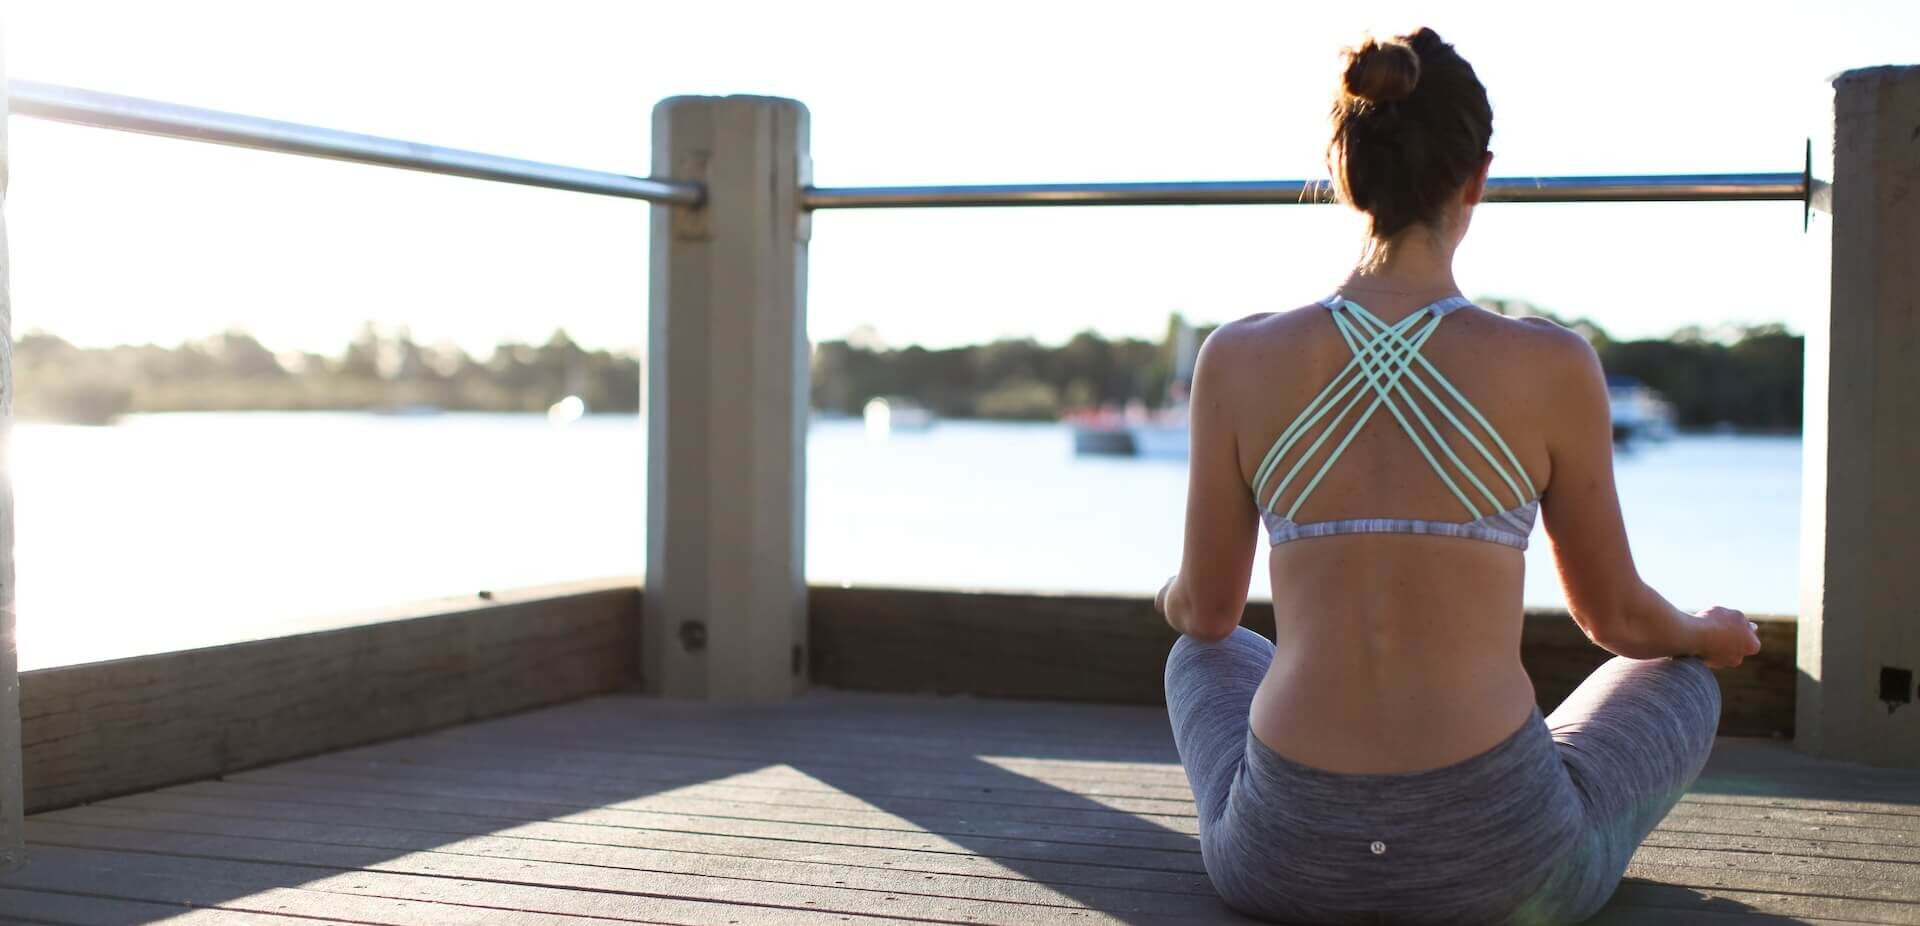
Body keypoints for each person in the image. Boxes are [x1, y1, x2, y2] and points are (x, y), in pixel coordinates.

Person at [1153, 27, 1763, 925]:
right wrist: (1706, 634)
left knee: (1203, 653)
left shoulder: (1236, 358)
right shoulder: (1552, 363)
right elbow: (1618, 621)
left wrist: (1171, 590)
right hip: (1499, 870)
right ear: (1476, 177)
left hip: (1284, 861)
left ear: (1343, 166)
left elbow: (1206, 613)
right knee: (1680, 677)